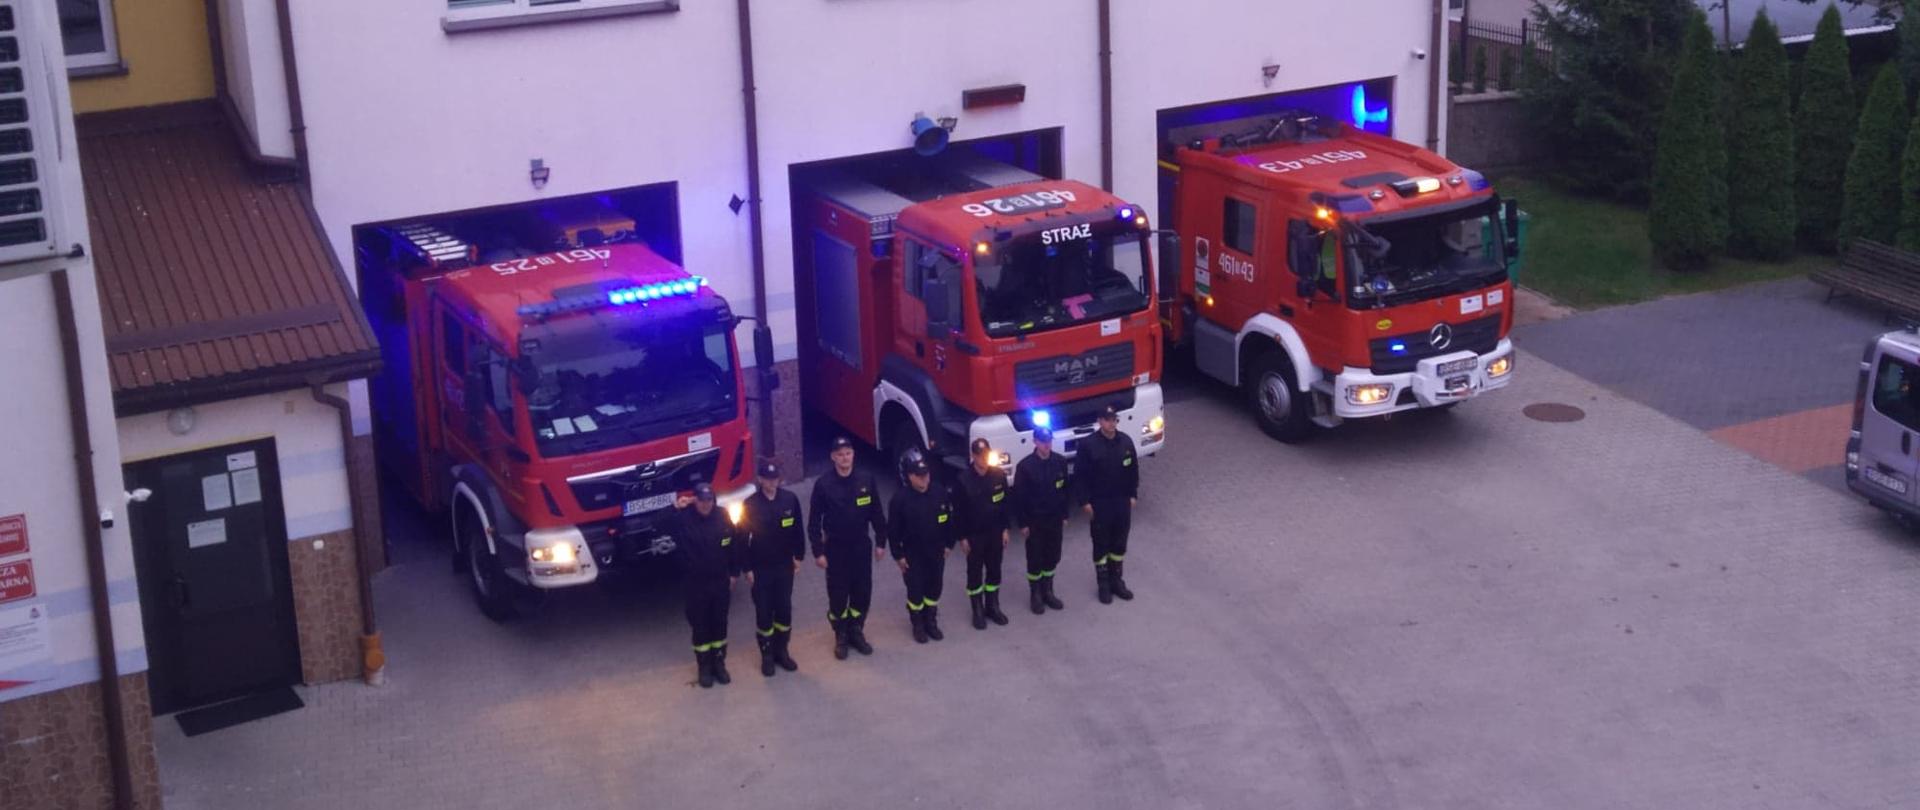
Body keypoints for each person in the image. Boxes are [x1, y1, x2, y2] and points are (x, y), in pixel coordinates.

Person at [807, 436, 887, 660]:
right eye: (840, 454)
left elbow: (877, 513)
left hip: (861, 547)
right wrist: (818, 551)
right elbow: (814, 521)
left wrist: (881, 542)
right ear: (833, 457)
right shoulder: (823, 485)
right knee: (838, 596)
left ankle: (856, 630)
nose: (845, 458)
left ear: (853, 455)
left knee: (862, 593)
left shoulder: (866, 480)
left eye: (848, 453)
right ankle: (840, 635)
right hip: (836, 550)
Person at [668, 482, 742, 688]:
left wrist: (734, 573)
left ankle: (719, 664)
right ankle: (704, 667)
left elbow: (734, 544)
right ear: (695, 500)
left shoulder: (722, 515)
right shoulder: (683, 519)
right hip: (695, 584)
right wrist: (675, 507)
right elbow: (659, 523)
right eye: (701, 500)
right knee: (700, 626)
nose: (705, 504)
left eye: (709, 500)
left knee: (720, 624)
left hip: (720, 582)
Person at [739, 459, 804, 677]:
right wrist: (747, 568)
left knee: (784, 609)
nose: (771, 483)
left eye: (775, 479)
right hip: (761, 568)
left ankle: (782, 651)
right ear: (760, 479)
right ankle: (767, 656)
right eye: (767, 479)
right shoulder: (750, 505)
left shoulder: (790, 499)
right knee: (764, 613)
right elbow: (742, 538)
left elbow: (797, 530)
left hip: (784, 566)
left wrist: (799, 556)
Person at [887, 449, 957, 644]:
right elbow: (893, 530)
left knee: (934, 588)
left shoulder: (939, 493)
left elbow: (949, 520)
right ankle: (917, 624)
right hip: (913, 555)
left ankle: (931, 621)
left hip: (936, 552)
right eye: (919, 476)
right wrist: (898, 555)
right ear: (910, 477)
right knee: (915, 591)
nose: (924, 479)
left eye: (926, 475)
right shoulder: (900, 500)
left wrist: (949, 544)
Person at [1073, 403, 1140, 604]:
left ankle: (1116, 581)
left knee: (1119, 542)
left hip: (1121, 501)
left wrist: (1133, 494)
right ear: (1100, 421)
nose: (1112, 423)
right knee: (1101, 543)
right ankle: (1103, 584)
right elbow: (1080, 476)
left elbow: (1133, 470)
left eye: (1114, 420)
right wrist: (1084, 501)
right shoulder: (1088, 445)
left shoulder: (1125, 442)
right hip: (1100, 503)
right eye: (1108, 420)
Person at [956, 437, 1014, 629]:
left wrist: (1005, 528)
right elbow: (958, 512)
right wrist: (962, 537)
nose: (984, 459)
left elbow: (1005, 504)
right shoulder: (963, 480)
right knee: (974, 572)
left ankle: (992, 606)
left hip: (995, 532)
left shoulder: (998, 475)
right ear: (973, 456)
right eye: (980, 456)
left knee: (994, 569)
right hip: (974, 535)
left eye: (986, 454)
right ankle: (977, 610)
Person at [1013, 425, 1070, 614]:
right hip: (1035, 522)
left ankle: (1048, 591)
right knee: (1035, 558)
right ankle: (1035, 594)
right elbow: (1019, 498)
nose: (1046, 445)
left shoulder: (1060, 462)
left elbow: (1065, 490)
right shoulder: (1025, 467)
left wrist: (1064, 514)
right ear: (1035, 442)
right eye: (1043, 442)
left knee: (1052, 556)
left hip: (1054, 520)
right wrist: (1023, 523)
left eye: (1049, 441)